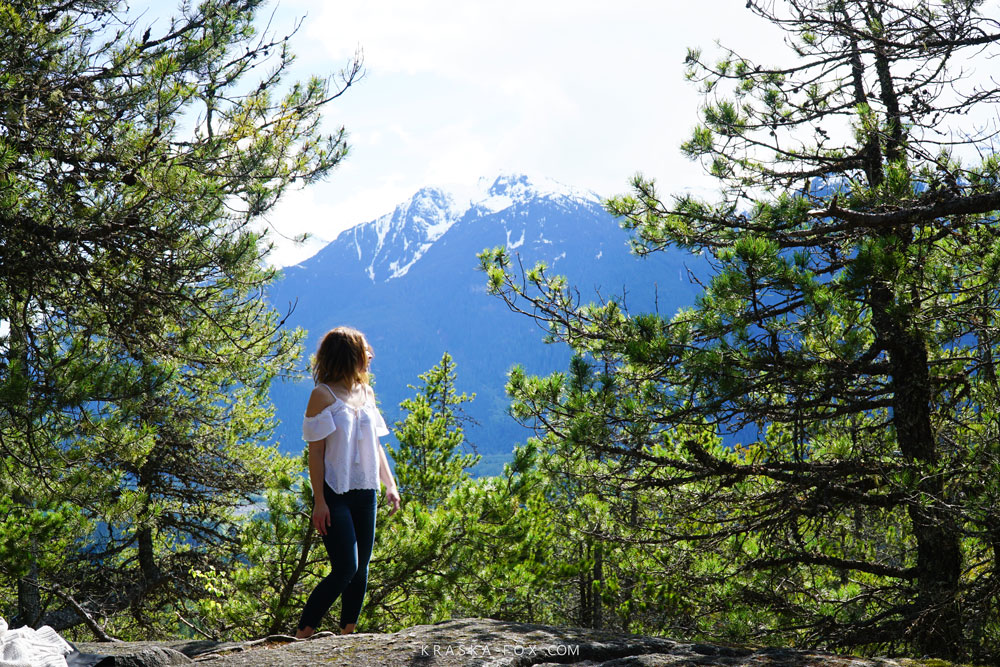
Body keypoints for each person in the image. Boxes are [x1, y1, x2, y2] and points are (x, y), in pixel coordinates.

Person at [295, 326, 401, 639]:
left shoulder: (365, 393)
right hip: (334, 493)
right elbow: (315, 452)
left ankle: (348, 636)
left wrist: (390, 485)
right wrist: (320, 501)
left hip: (366, 490)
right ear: (349, 355)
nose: (371, 356)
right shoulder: (322, 395)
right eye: (364, 350)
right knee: (346, 568)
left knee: (361, 568)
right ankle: (301, 635)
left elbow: (375, 445)